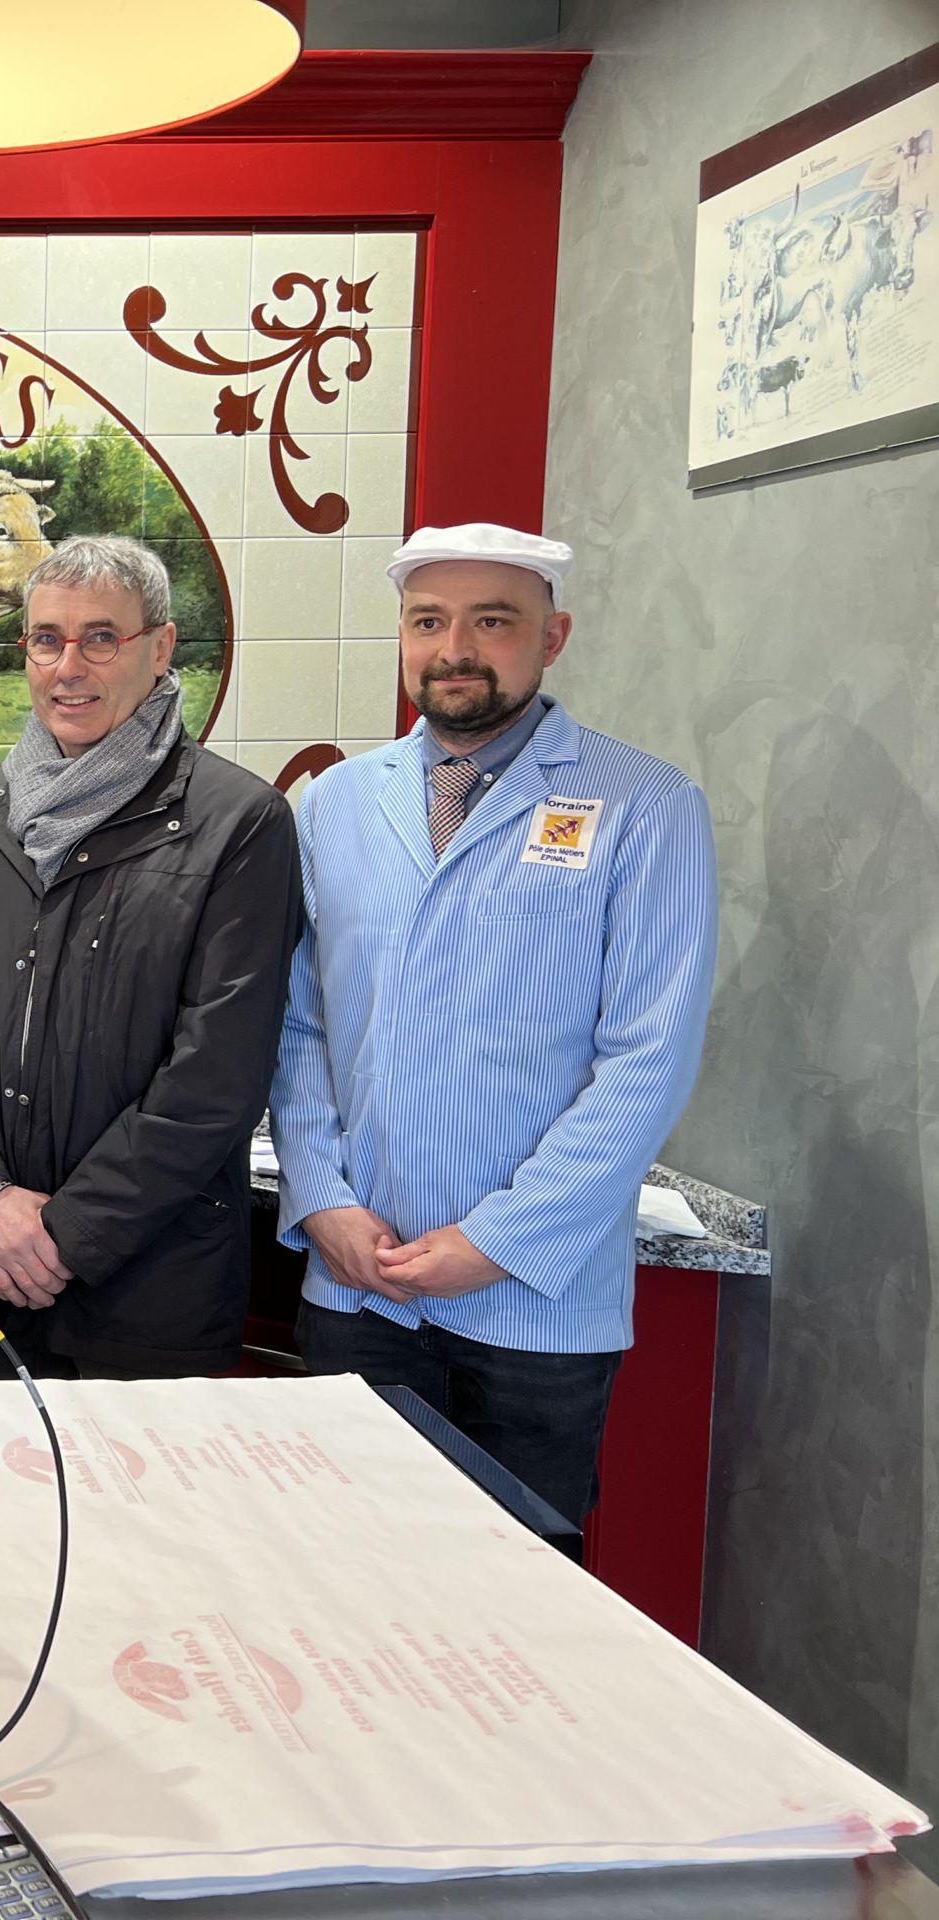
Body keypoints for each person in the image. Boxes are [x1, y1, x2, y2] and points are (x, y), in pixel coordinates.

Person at [270, 522, 719, 1523]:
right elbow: (298, 1029)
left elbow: (645, 1060)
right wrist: (321, 1200)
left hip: (534, 1309)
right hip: (357, 1288)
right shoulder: (336, 805)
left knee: (519, 1622)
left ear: (551, 636)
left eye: (493, 621)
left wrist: (497, 1241)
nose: (455, 647)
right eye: (428, 620)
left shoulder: (645, 806)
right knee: (339, 1580)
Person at [0, 535, 301, 1380]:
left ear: (160, 647)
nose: (68, 666)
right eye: (47, 639)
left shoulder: (240, 823)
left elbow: (216, 1077)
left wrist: (63, 1235)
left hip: (148, 1285)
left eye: (100, 638)